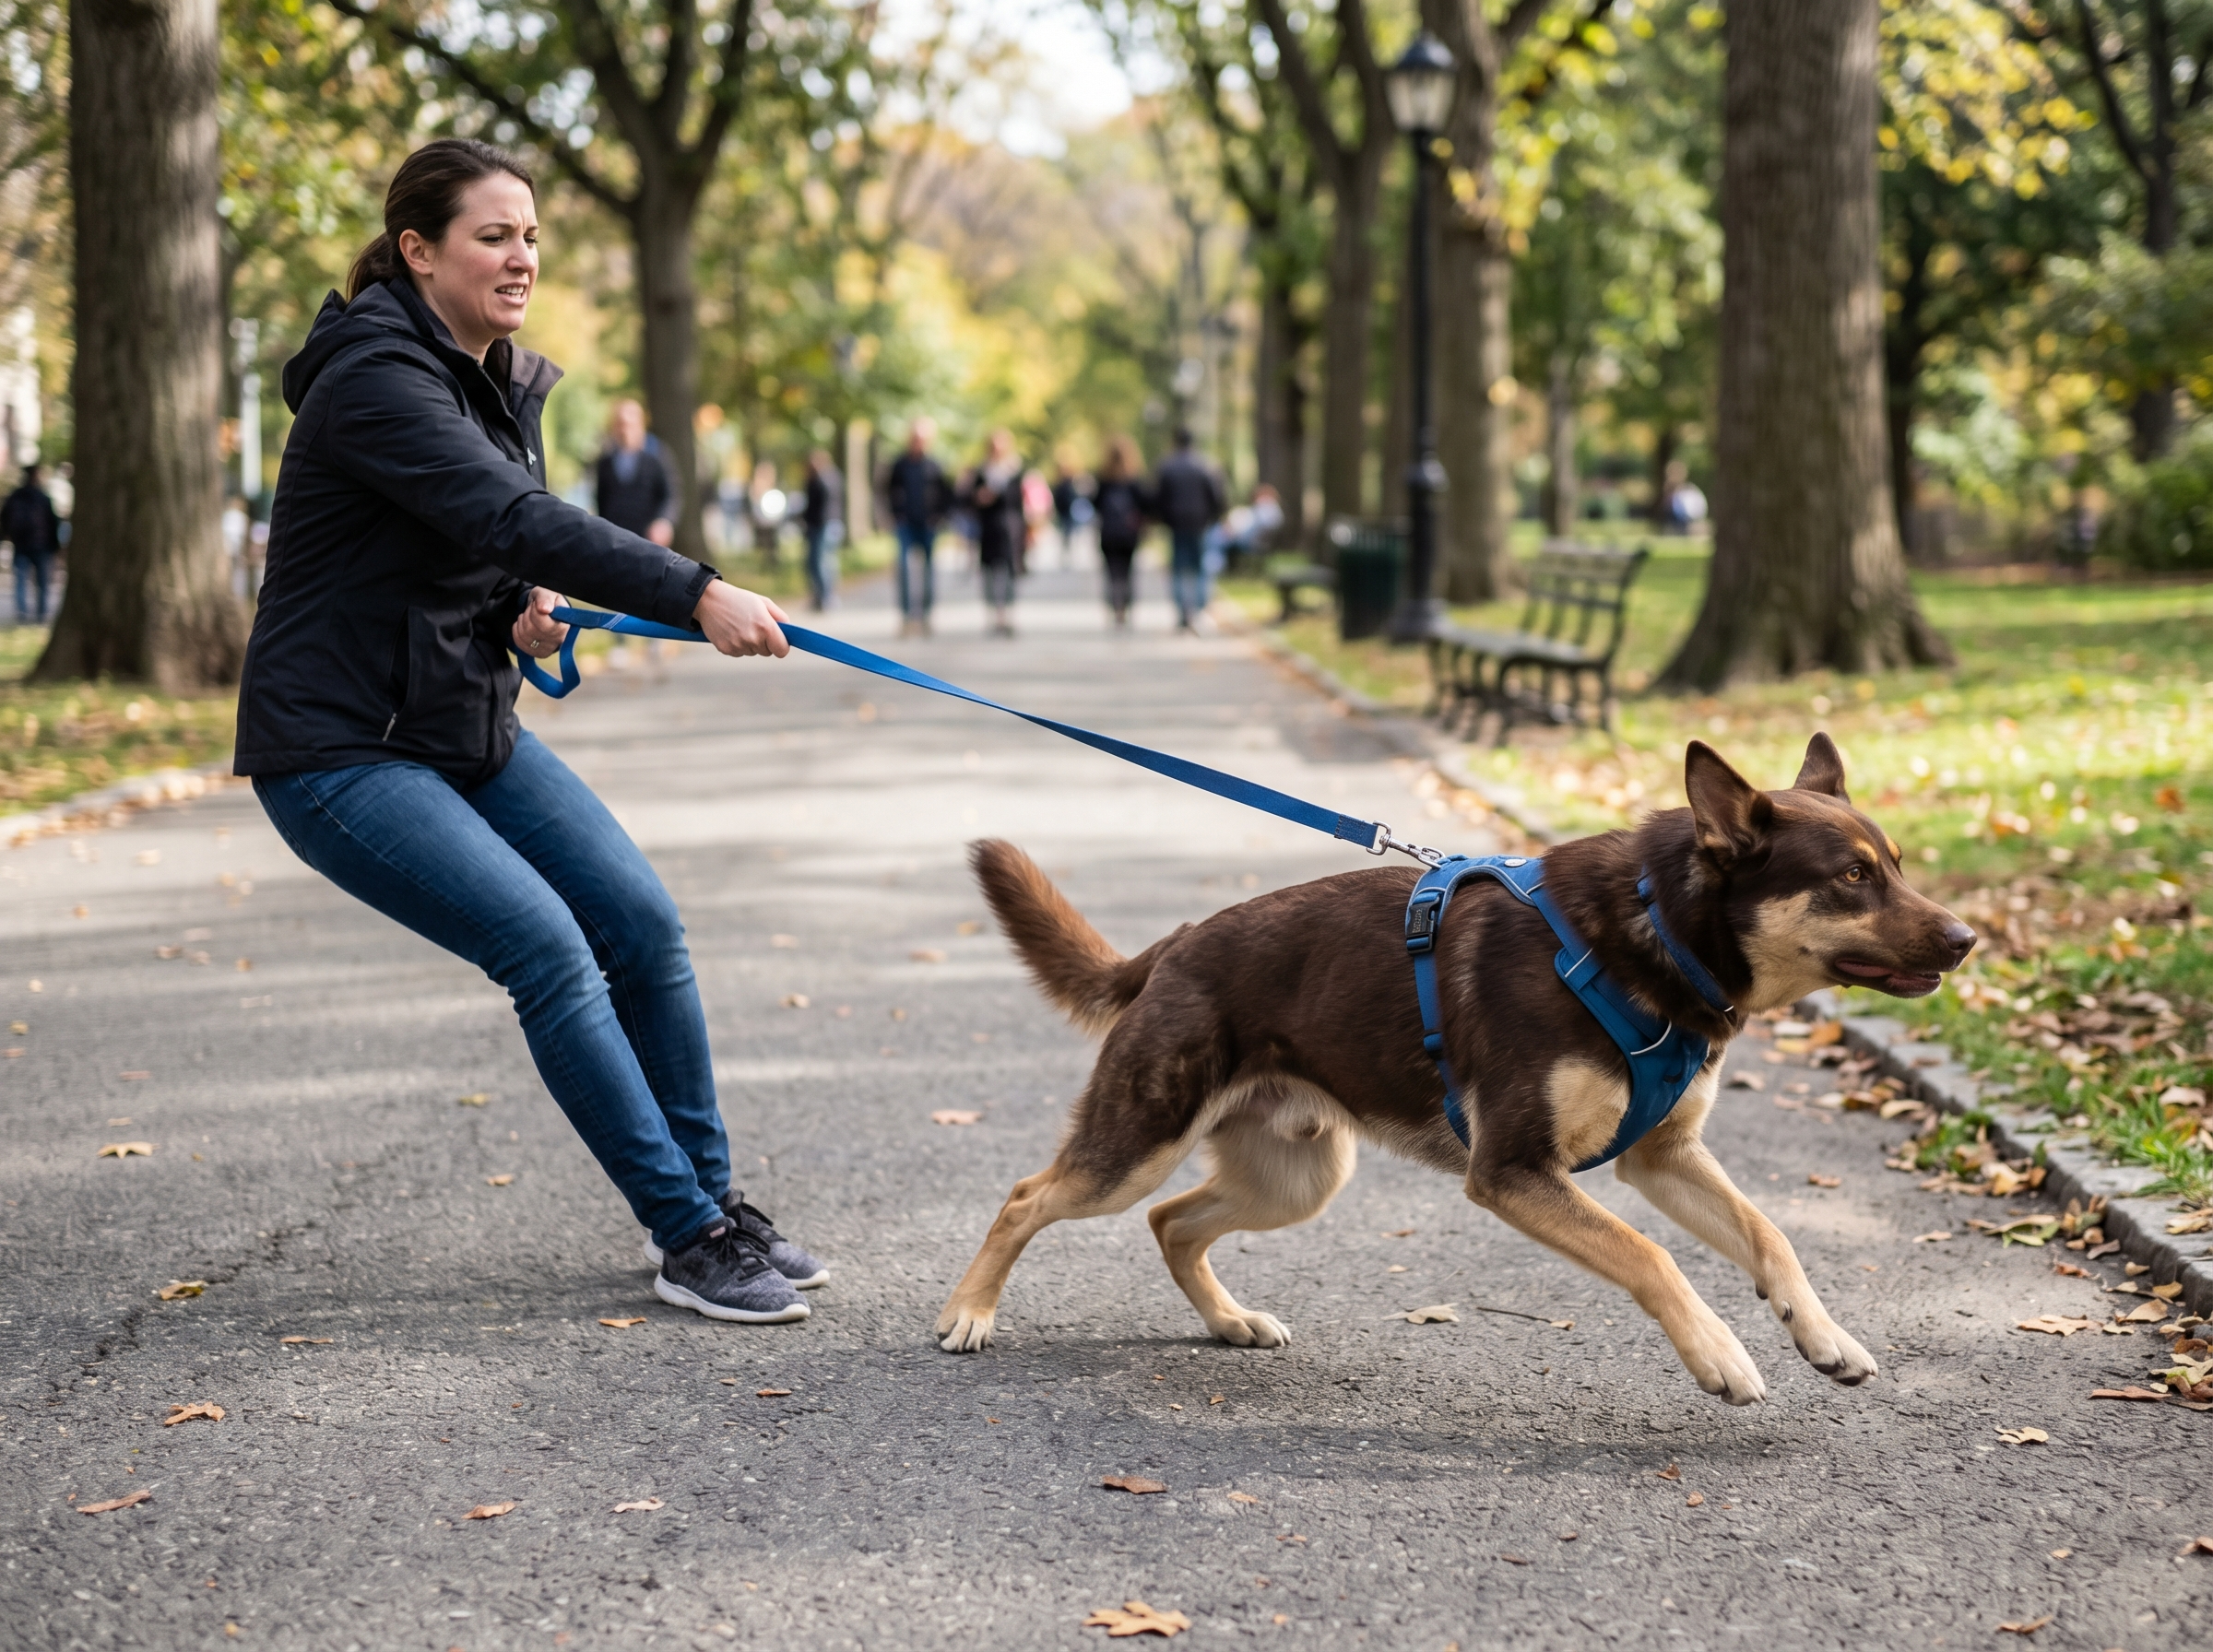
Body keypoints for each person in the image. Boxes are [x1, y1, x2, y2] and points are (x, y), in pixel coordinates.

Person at [235, 137, 827, 1327]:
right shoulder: (375, 379)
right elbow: (511, 513)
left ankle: (713, 1201)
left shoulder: (492, 377)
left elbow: (468, 548)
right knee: (550, 949)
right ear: (419, 251)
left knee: (643, 924)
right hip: (341, 748)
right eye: (494, 235)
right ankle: (688, 1233)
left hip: (460, 725)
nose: (522, 259)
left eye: (533, 236)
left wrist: (516, 607)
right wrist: (697, 590)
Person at [1151, 427, 1226, 631]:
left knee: (1178, 567)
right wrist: (1213, 518)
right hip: (1199, 523)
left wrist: (1163, 519)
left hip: (1176, 524)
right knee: (1199, 566)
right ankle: (1199, 609)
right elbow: (1216, 497)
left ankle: (1182, 611)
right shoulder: (1204, 466)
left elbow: (1159, 498)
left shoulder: (1167, 467)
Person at [884, 419, 951, 639]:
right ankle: (906, 618)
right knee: (903, 569)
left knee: (929, 571)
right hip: (905, 525)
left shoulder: (935, 465)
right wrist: (895, 515)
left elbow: (946, 494)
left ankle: (926, 616)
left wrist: (939, 517)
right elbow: (887, 491)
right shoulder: (900, 465)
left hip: (928, 525)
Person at [963, 430, 1025, 639]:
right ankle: (993, 614)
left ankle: (1007, 615)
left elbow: (1018, 501)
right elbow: (969, 500)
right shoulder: (981, 471)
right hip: (988, 528)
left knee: (1008, 571)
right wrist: (980, 497)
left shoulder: (1014, 470)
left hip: (1009, 527)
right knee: (989, 571)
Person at [592, 399, 676, 547]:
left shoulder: (657, 455)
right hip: (615, 540)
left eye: (629, 425)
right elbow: (601, 500)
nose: (625, 431)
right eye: (620, 425)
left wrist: (664, 522)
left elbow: (671, 493)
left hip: (647, 539)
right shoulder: (605, 462)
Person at [1092, 437, 1147, 629]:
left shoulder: (1103, 479)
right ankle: (1125, 606)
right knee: (1127, 571)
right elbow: (1144, 503)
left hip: (1109, 532)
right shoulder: (1134, 479)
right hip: (1128, 533)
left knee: (1112, 573)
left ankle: (1116, 606)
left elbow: (1095, 504)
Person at [2, 462, 60, 625]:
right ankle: (41, 613)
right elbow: (53, 522)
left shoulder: (15, 496)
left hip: (21, 544)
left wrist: (7, 536)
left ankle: (23, 612)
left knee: (21, 579)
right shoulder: (42, 497)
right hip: (41, 544)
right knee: (42, 581)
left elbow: (4, 518)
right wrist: (55, 545)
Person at [799, 447, 844, 612]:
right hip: (815, 526)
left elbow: (829, 501)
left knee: (823, 562)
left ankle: (827, 596)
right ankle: (818, 596)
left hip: (826, 525)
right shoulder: (812, 479)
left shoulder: (829, 477)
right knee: (813, 562)